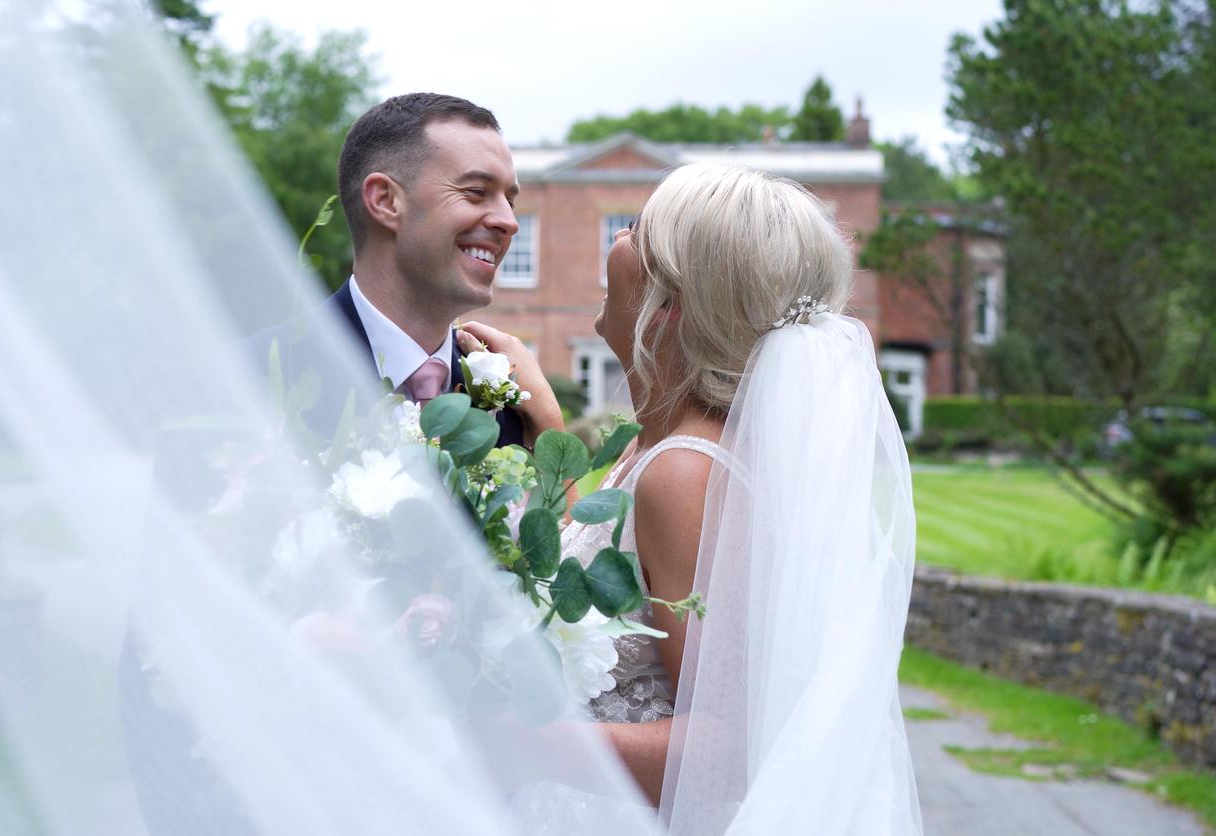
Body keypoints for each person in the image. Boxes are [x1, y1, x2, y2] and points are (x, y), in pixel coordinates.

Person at [462, 163, 922, 833]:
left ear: (670, 300)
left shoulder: (684, 471)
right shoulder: (657, 447)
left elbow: (732, 747)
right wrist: (551, 434)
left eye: (637, 230)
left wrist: (526, 741)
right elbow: (597, 583)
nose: (618, 236)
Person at [252, 92, 554, 449]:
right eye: (476, 192)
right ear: (385, 201)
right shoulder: (253, 378)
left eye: (510, 200)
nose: (509, 221)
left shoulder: (518, 408)